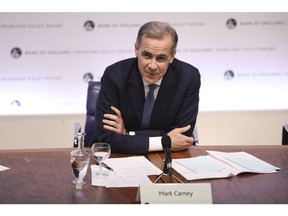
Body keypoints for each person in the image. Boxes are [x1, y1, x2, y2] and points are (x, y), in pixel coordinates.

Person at [92, 21, 201, 154]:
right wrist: (164, 141)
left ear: (172, 56)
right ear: (136, 49)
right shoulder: (115, 75)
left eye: (161, 58)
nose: (152, 66)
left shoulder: (188, 78)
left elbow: (182, 136)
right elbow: (107, 138)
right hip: (119, 157)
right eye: (147, 55)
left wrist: (127, 134)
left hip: (166, 159)